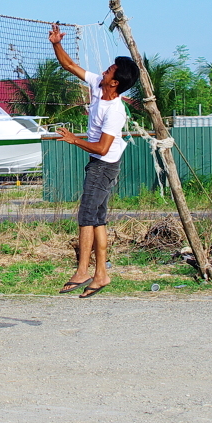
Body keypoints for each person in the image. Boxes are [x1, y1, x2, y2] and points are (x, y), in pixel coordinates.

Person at [47, 23, 140, 298]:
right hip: (100, 164)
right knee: (98, 219)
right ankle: (101, 275)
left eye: (110, 70)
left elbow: (101, 148)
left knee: (86, 216)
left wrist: (73, 139)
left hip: (103, 166)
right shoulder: (98, 86)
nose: (104, 70)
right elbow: (69, 66)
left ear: (116, 82)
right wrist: (56, 44)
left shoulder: (116, 111)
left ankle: (82, 270)